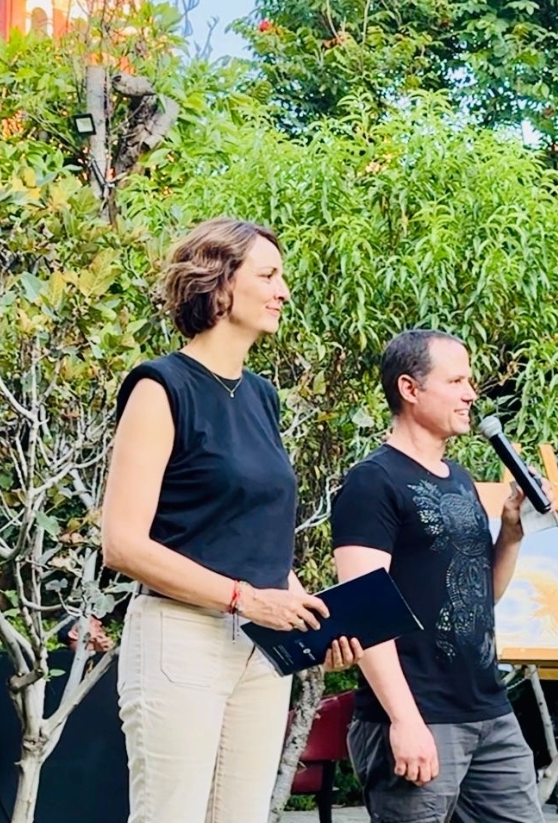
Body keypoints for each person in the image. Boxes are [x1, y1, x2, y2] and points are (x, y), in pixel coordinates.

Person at [101, 217, 361, 823]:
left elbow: (252, 535)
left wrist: (310, 617)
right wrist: (246, 598)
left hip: (260, 647)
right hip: (181, 636)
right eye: (268, 276)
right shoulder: (160, 387)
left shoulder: (262, 396)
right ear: (218, 285)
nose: (283, 292)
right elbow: (122, 543)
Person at [330, 328, 547, 823]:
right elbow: (363, 611)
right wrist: (404, 720)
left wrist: (511, 534)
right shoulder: (372, 481)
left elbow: (480, 598)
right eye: (456, 381)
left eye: (469, 381)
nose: (470, 394)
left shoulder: (461, 479)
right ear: (410, 388)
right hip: (420, 713)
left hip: (488, 709)